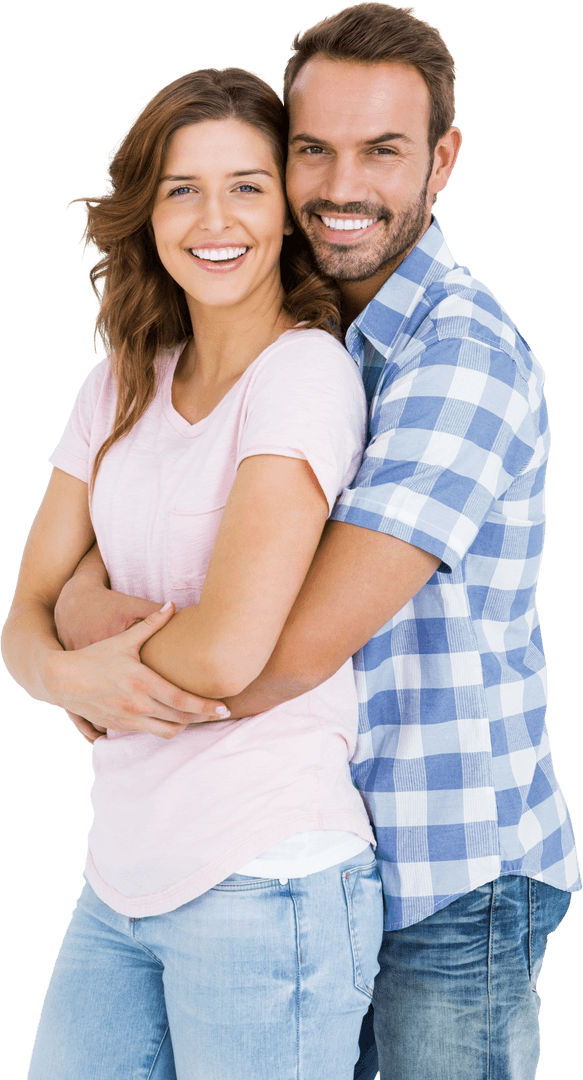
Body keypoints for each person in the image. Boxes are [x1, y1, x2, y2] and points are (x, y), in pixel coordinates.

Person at [53, 6, 581, 1080]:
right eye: (311, 150)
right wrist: (66, 628)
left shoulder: (460, 359)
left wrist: (104, 688)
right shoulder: (295, 337)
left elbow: (281, 649)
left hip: (448, 870)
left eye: (382, 151)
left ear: (442, 160)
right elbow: (113, 555)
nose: (341, 186)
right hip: (312, 852)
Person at [0, 65, 386, 1079]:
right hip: (120, 875)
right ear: (147, 211)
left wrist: (76, 643)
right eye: (182, 188)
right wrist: (57, 670)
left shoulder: (303, 374)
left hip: (267, 879)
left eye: (247, 186)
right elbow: (22, 616)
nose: (215, 218)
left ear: (290, 215)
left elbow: (227, 649)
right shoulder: (120, 382)